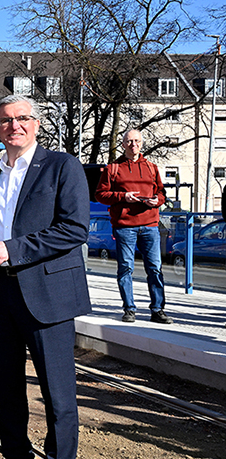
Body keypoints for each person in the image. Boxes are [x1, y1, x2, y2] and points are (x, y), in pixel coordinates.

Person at [0, 94, 90, 459]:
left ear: (36, 123)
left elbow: (74, 228)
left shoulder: (62, 166)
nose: (13, 126)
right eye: (5, 120)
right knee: (6, 391)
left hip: (48, 295)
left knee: (58, 395)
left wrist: (13, 249)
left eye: (21, 118)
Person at [95, 129, 171, 324]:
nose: (133, 145)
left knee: (155, 268)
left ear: (142, 143)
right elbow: (100, 195)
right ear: (123, 144)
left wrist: (157, 201)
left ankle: (157, 310)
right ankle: (129, 309)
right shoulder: (113, 168)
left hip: (150, 224)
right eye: (129, 141)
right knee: (125, 268)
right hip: (124, 226)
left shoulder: (152, 168)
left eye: (136, 141)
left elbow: (162, 193)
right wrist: (123, 197)